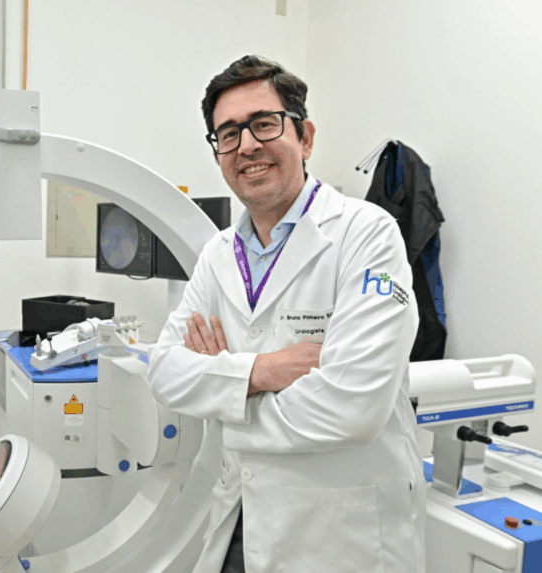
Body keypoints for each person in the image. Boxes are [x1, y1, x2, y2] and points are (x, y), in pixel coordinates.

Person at [147, 55, 426, 573]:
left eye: (264, 123)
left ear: (305, 137)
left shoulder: (366, 235)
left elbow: (353, 406)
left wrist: (222, 398)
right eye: (228, 133)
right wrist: (264, 371)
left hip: (338, 536)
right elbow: (164, 372)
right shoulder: (217, 255)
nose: (246, 145)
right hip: (238, 517)